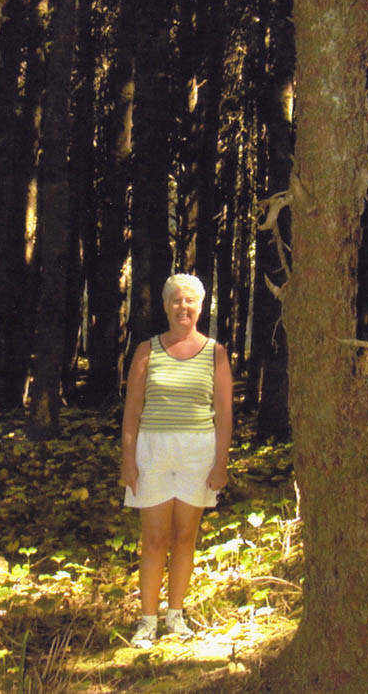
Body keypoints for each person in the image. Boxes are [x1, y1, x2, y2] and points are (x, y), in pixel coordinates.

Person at [119, 273, 232, 648]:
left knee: (185, 537)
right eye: (177, 300)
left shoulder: (215, 353)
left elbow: (224, 414)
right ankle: (147, 621)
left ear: (201, 307)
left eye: (191, 301)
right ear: (166, 306)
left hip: (197, 451)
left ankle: (176, 617)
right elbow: (132, 411)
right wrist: (128, 461)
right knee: (154, 539)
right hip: (153, 450)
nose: (184, 307)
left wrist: (220, 463)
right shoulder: (146, 350)